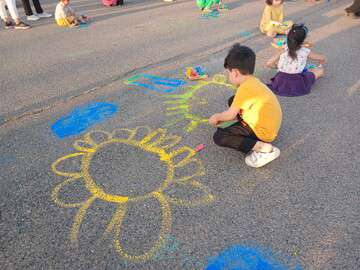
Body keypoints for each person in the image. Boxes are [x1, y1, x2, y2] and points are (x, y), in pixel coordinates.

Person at [209, 44, 282, 168]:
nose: (229, 76)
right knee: (233, 100)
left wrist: (217, 117)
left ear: (236, 73)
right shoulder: (253, 81)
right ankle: (245, 125)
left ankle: (263, 148)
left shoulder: (245, 89)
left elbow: (229, 114)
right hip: (268, 124)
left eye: (229, 73)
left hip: (263, 132)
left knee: (220, 136)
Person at [266, 24, 326, 97]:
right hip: (296, 81)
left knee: (305, 70)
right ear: (302, 40)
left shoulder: (284, 48)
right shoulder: (305, 51)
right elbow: (321, 58)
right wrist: (323, 60)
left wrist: (278, 67)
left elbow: (268, 64)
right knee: (320, 71)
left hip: (280, 81)